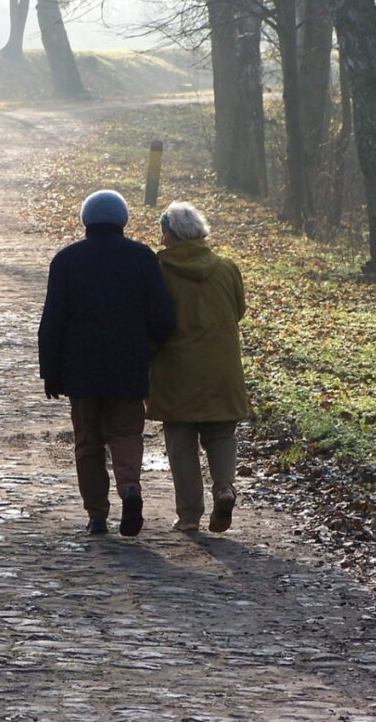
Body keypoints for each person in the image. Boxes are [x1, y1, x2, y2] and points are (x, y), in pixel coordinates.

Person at [39, 190, 176, 536]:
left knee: (88, 442)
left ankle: (97, 514)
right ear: (123, 220)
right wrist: (150, 349)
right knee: (127, 433)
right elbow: (162, 316)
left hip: (80, 368)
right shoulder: (143, 258)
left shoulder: (67, 259)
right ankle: (130, 489)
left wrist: (51, 373)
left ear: (86, 220)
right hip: (128, 365)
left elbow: (52, 321)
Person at [146, 202, 251, 533]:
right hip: (223, 367)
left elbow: (154, 319)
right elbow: (238, 310)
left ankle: (189, 515)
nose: (161, 240)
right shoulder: (226, 267)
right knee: (221, 433)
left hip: (177, 368)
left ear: (171, 235)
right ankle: (224, 487)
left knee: (181, 439)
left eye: (164, 233)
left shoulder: (160, 270)